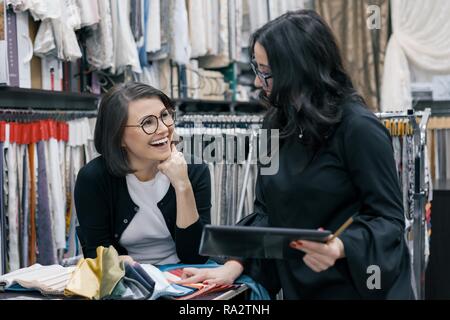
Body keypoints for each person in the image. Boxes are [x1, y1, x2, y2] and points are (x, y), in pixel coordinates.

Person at [177, 10, 414, 299]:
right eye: (257, 69)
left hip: (358, 287)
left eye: (266, 72)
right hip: (301, 288)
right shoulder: (273, 124)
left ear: (298, 69)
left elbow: (387, 220)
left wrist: (340, 246)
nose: (257, 82)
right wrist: (235, 263)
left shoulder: (359, 129)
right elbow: (266, 212)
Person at [74, 82, 211, 265]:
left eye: (165, 116)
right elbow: (96, 254)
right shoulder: (93, 178)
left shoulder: (194, 170)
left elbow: (196, 256)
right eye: (147, 122)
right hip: (127, 280)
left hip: (185, 276)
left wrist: (182, 185)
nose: (163, 129)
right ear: (119, 136)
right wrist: (123, 265)